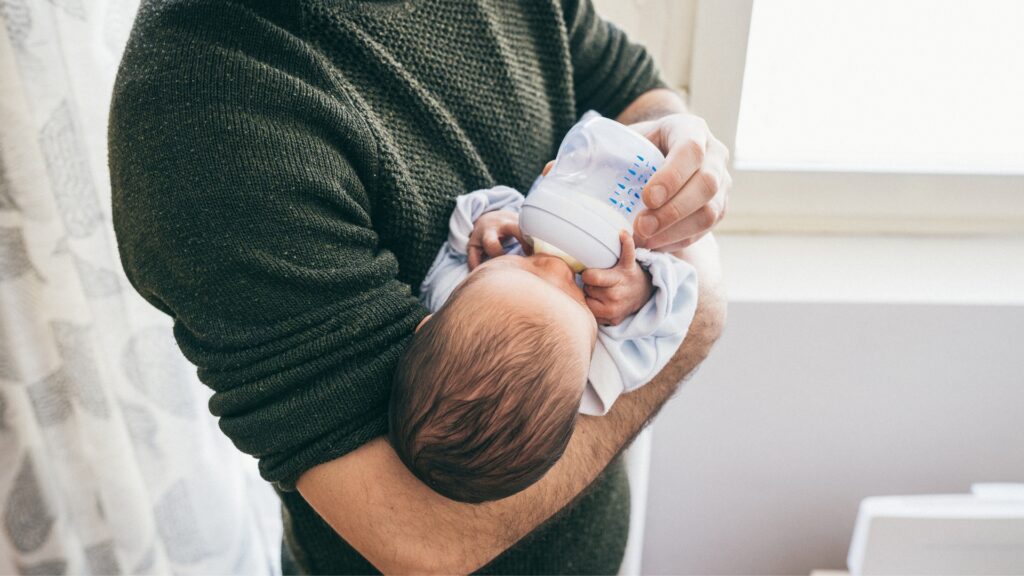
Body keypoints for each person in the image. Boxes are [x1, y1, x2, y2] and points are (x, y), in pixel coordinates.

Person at [109, 0, 730, 572]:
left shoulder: (480, 275)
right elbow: (421, 537)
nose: (543, 264)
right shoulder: (208, 122)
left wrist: (678, 146)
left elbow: (628, 87)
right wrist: (683, 306)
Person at [389, 185, 699, 504]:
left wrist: (490, 221)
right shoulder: (604, 369)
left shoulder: (450, 297)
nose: (557, 267)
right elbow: (677, 309)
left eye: (522, 269)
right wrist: (641, 290)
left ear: (430, 324)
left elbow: (458, 234)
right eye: (572, 295)